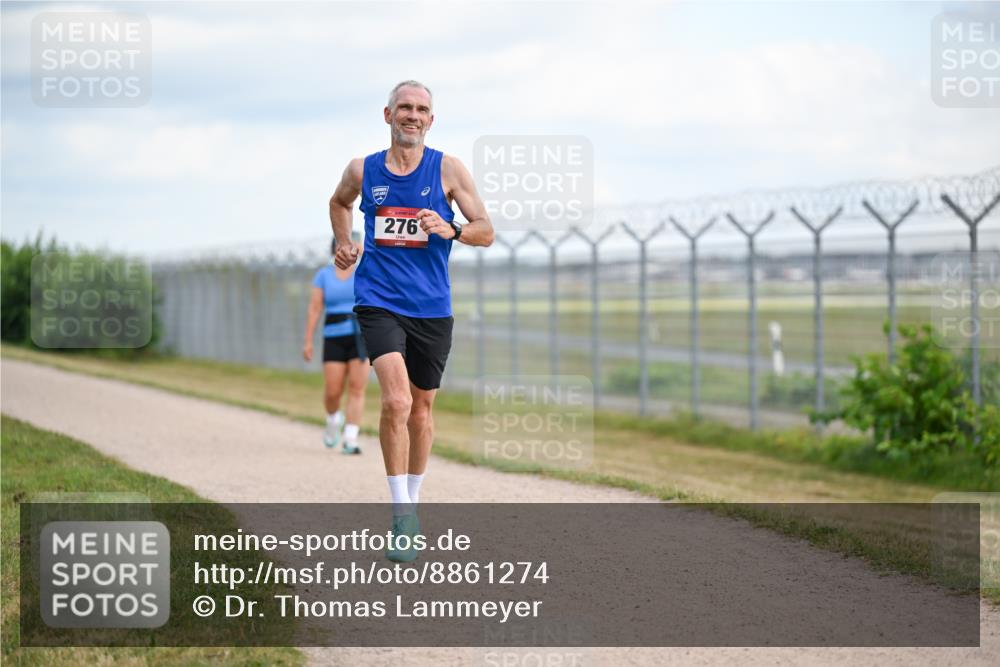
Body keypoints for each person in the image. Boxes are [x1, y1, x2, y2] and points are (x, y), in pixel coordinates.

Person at [328, 80, 494, 561]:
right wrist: (345, 242)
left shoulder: (448, 169)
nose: (413, 115)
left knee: (421, 411)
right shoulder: (363, 169)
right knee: (396, 400)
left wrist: (452, 228)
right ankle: (400, 513)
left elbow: (486, 231)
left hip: (432, 308)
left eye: (421, 109)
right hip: (378, 300)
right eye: (405, 107)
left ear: (431, 120)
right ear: (388, 115)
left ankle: (413, 504)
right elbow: (339, 202)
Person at [302, 234, 370, 455]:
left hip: (360, 336)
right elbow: (315, 308)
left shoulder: (364, 271)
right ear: (336, 249)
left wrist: (365, 253)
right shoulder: (324, 275)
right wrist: (308, 340)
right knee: (333, 391)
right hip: (333, 336)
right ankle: (333, 419)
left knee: (357, 388)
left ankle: (351, 437)